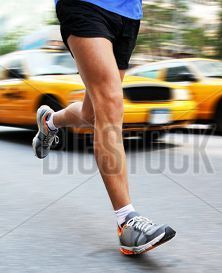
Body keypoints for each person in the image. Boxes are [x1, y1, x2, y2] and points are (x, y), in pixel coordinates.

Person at [32, 0, 176, 255]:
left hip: (128, 13)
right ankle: (127, 221)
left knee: (93, 113)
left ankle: (50, 121)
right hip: (85, 6)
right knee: (110, 103)